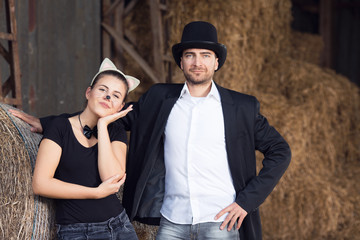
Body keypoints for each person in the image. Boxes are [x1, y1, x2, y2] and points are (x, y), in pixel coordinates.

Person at [10, 21, 291, 240]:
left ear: (216, 62)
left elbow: (280, 151)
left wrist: (246, 202)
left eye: (206, 55)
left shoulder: (241, 107)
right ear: (181, 62)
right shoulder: (159, 99)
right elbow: (108, 112)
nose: (197, 62)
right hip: (172, 221)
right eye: (190, 55)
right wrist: (50, 123)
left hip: (221, 220)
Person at [15, 58, 140, 240]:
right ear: (88, 92)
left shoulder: (116, 132)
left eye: (115, 95)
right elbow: (40, 184)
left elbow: (111, 179)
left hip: (119, 226)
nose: (107, 97)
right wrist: (95, 193)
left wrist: (103, 125)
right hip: (77, 232)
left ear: (120, 108)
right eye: (102, 90)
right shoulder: (60, 127)